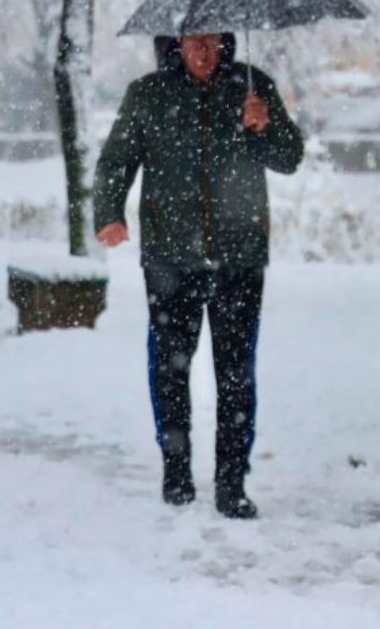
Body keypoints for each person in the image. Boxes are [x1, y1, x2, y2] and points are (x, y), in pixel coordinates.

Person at [93, 32, 304, 519]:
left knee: (235, 374)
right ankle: (177, 471)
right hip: (170, 258)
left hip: (239, 258)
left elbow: (290, 159)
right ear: (177, 45)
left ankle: (232, 482)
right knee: (171, 369)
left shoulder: (254, 88)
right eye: (192, 43)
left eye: (210, 42)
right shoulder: (148, 94)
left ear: (225, 43)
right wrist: (109, 211)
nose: (202, 53)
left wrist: (265, 125)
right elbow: (117, 159)